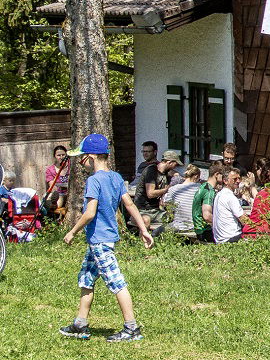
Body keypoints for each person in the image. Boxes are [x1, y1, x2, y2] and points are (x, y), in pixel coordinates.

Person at [59, 133, 154, 342]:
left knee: (116, 282)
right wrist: (144, 230)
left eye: (82, 156)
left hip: (100, 241)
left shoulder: (94, 180)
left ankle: (131, 328)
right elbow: (129, 205)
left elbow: (90, 212)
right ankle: (80, 324)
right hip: (98, 241)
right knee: (86, 278)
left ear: (90, 157)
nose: (81, 162)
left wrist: (72, 231)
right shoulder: (116, 177)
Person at [162, 166, 204, 237]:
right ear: (196, 176)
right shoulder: (201, 189)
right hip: (196, 226)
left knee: (156, 232)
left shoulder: (173, 189)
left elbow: (166, 205)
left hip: (178, 225)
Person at [212, 167, 245, 243]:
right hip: (231, 237)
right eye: (235, 179)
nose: (238, 181)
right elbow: (244, 219)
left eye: (239, 178)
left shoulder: (219, 194)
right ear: (225, 181)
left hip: (220, 239)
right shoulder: (229, 196)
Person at [192, 167, 223, 242]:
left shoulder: (203, 186)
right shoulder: (209, 190)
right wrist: (223, 223)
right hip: (204, 230)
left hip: (199, 229)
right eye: (223, 176)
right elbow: (207, 216)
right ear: (217, 174)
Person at [44, 145, 70, 216]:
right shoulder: (50, 170)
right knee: (57, 199)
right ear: (55, 156)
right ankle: (54, 204)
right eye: (59, 155)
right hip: (60, 194)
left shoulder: (72, 167)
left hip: (71, 193)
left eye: (63, 155)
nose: (61, 157)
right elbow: (52, 185)